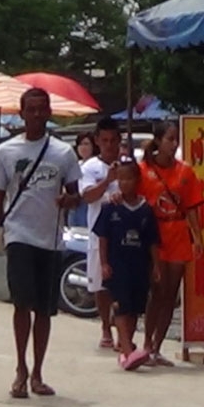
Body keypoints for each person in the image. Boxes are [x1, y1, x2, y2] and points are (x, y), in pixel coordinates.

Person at [0, 88, 82, 399]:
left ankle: (38, 372)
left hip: (50, 239)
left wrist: (69, 199)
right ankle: (20, 369)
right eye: (30, 109)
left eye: (42, 109)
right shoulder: (7, 152)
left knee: (44, 310)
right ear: (21, 114)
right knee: (22, 303)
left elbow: (76, 194)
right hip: (19, 235)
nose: (36, 114)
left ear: (49, 112)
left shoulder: (63, 153)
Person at [139, 121, 204, 366]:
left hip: (177, 232)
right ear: (158, 141)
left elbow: (192, 208)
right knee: (155, 291)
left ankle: (156, 347)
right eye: (169, 139)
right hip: (154, 235)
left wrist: (198, 238)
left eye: (176, 139)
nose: (174, 144)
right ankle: (146, 343)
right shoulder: (143, 169)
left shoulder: (185, 171)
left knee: (170, 293)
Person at [92, 160, 159, 370]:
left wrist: (156, 266)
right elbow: (102, 238)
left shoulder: (146, 210)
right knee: (121, 305)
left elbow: (153, 242)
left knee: (135, 308)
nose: (124, 183)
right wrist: (103, 263)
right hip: (117, 264)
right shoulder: (110, 207)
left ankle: (125, 348)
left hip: (139, 265)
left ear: (137, 180)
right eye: (120, 179)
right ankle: (129, 351)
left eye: (129, 178)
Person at [78, 118, 123, 349]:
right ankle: (105, 326)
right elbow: (87, 196)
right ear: (97, 141)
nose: (109, 145)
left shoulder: (127, 164)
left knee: (122, 284)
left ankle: (123, 331)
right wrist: (108, 181)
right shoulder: (89, 168)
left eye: (113, 141)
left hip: (123, 233)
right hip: (99, 234)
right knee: (101, 284)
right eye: (104, 141)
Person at [68, 134, 97, 227]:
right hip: (74, 204)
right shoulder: (77, 164)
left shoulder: (96, 164)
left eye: (86, 144)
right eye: (80, 144)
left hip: (88, 204)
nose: (83, 147)